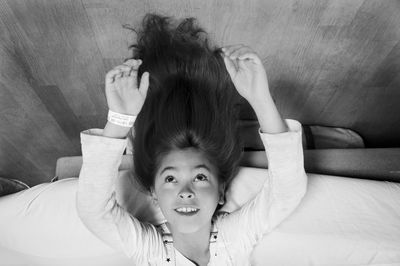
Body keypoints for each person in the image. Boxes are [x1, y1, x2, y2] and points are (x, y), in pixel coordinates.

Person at [76, 13, 307, 266]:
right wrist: (119, 120)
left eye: (200, 177)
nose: (185, 193)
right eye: (170, 179)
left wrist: (261, 98)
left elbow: (285, 193)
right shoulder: (153, 247)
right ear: (154, 193)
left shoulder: (229, 239)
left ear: (221, 191)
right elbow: (95, 212)